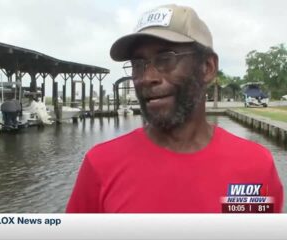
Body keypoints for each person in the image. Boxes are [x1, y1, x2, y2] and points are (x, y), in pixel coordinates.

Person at [66, 4, 284, 213]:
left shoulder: (255, 166)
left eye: (166, 59)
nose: (147, 77)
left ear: (207, 68)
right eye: (138, 64)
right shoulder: (100, 166)